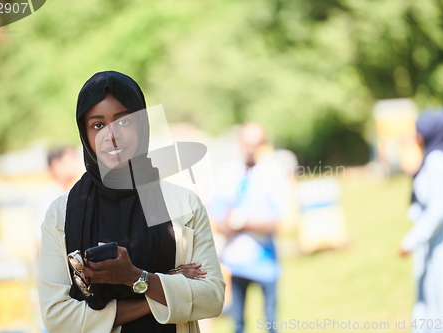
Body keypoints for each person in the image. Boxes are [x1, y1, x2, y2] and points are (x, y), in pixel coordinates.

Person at [38, 71, 225, 333]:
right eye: (98, 125)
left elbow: (212, 298)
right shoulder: (64, 212)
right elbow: (58, 318)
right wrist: (157, 291)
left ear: (142, 125)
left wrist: (136, 277)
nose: (111, 135)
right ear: (85, 134)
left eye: (123, 121)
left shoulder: (181, 204)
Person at [209, 123, 286, 333]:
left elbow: (279, 222)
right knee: (238, 322)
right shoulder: (227, 173)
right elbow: (217, 217)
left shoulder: (272, 173)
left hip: (265, 262)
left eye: (256, 144)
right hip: (235, 263)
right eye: (247, 144)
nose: (251, 149)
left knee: (270, 321)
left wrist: (243, 221)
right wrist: (232, 223)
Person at [400, 112, 443, 333]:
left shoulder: (437, 160)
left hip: (442, 238)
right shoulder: (437, 156)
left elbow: (438, 209)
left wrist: (411, 240)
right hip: (441, 235)